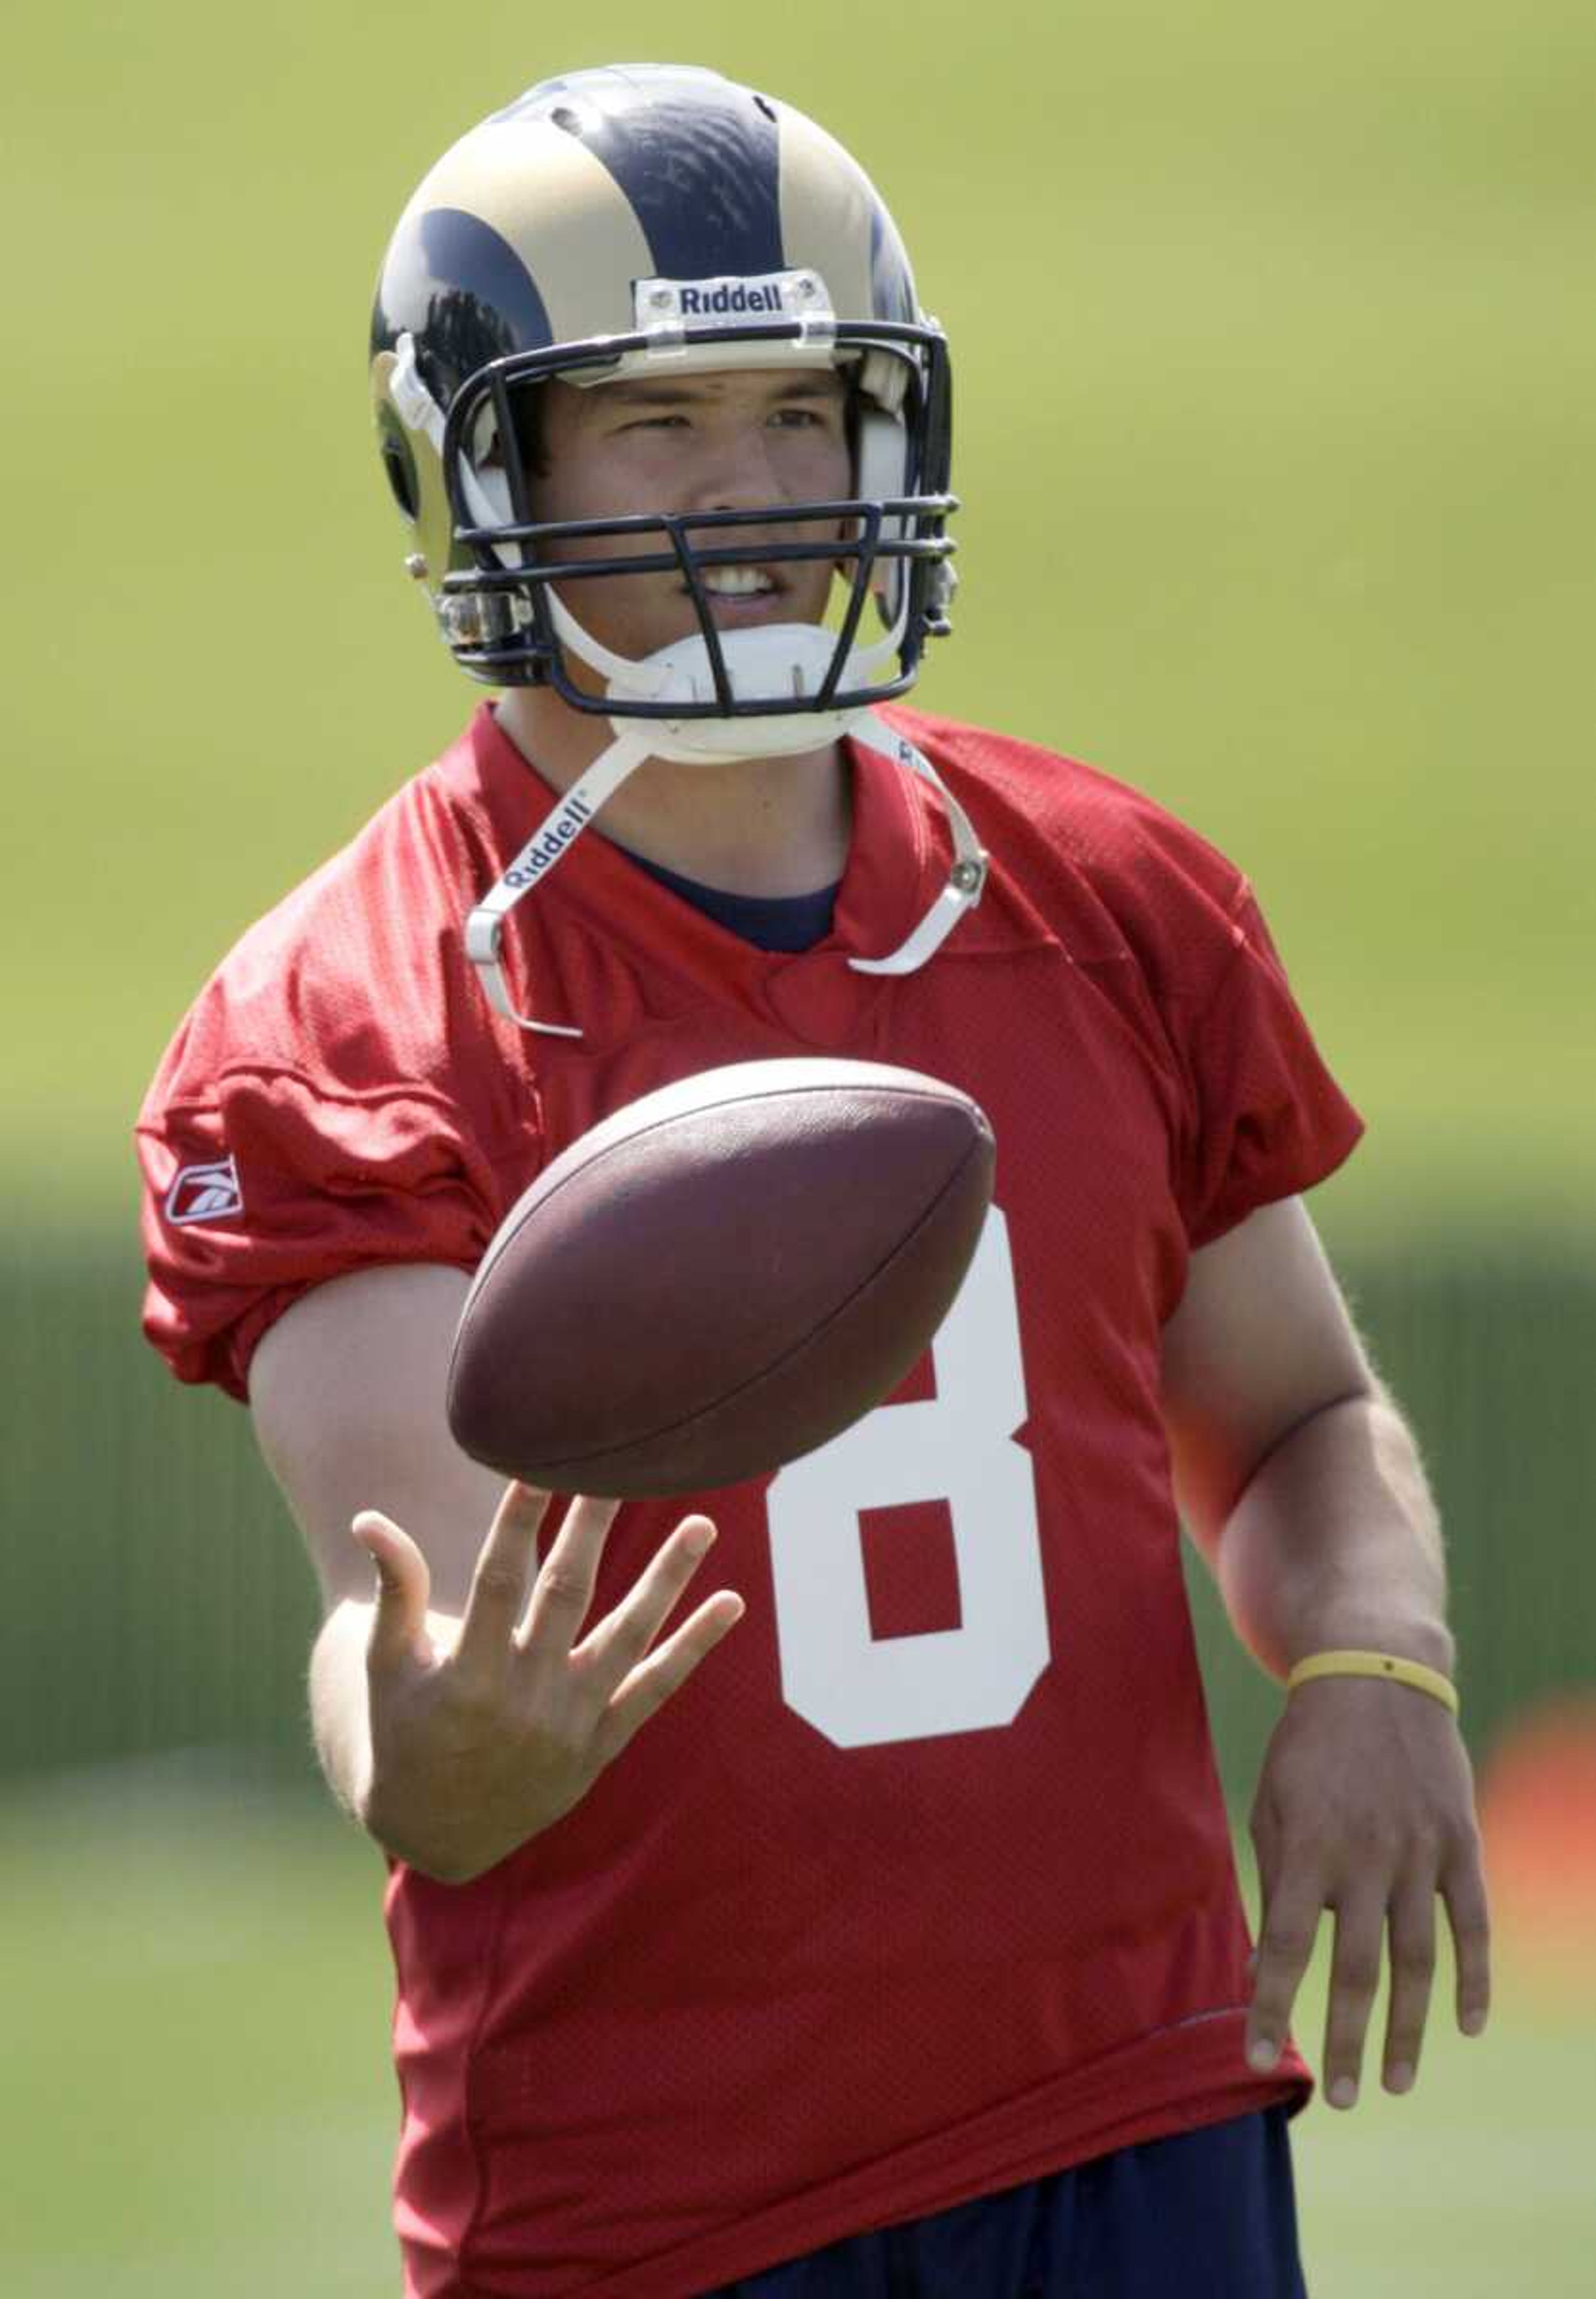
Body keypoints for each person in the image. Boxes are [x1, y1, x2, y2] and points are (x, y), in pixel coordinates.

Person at [135, 62, 1490, 2299]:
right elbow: (421, 1658)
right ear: (485, 463)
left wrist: (1375, 1658)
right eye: (658, 427)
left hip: (1137, 2125)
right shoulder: (348, 1018)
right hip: (663, 2209)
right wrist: (440, 1750)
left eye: (804, 410)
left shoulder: (1109, 899)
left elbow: (1302, 1425)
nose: (753, 494)